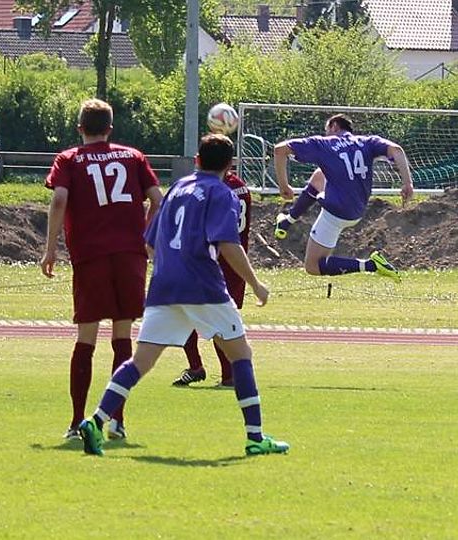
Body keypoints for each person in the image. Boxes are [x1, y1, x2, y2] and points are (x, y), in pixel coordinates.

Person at [77, 134, 290, 457]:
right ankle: (256, 437)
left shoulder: (177, 188)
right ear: (230, 165)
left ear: (197, 160)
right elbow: (228, 244)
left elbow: (149, 242)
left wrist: (171, 265)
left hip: (164, 285)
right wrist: (256, 284)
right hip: (203, 285)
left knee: (141, 361)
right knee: (241, 355)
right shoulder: (222, 192)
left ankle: (95, 420)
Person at [40, 98, 163, 441]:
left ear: (79, 128)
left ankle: (77, 421)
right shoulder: (133, 156)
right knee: (122, 337)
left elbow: (59, 199)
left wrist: (50, 248)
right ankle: (116, 420)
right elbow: (158, 199)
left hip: (91, 254)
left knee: (87, 337)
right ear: (110, 128)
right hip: (129, 254)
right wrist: (145, 235)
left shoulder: (69, 158)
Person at [272, 114, 414, 281]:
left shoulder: (324, 144)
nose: (326, 134)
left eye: (327, 130)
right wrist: (407, 183)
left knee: (313, 266)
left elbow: (279, 150)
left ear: (334, 126)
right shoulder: (367, 142)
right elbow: (397, 150)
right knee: (319, 176)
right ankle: (287, 221)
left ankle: (371, 265)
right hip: (357, 209)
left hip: (336, 213)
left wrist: (284, 186)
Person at [174, 166, 251, 388]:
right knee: (215, 317)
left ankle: (221, 373)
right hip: (236, 262)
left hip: (213, 262)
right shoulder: (241, 187)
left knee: (193, 314)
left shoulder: (212, 189)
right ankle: (204, 369)